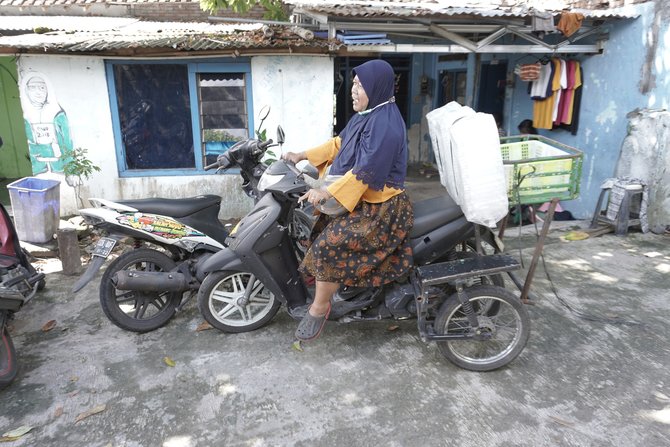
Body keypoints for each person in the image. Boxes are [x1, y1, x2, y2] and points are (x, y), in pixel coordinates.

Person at [282, 59, 414, 342]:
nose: (353, 90)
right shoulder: (367, 115)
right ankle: (326, 284)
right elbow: (338, 144)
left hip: (382, 209)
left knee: (328, 246)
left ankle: (320, 307)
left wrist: (327, 192)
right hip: (364, 200)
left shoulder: (386, 126)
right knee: (316, 230)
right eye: (353, 84)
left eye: (359, 85)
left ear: (376, 87)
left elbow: (366, 172)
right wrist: (301, 154)